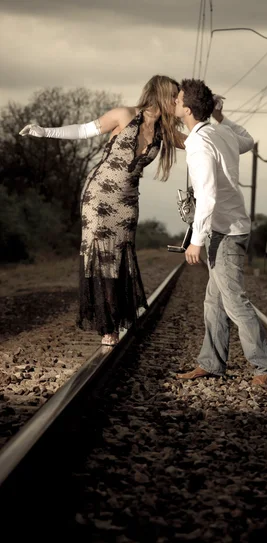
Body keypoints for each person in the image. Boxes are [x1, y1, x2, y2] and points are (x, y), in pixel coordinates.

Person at [19, 75, 185, 346]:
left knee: (119, 256)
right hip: (99, 195)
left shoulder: (165, 131)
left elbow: (201, 142)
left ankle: (115, 319)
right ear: (162, 95)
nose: (178, 102)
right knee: (100, 257)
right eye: (175, 97)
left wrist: (213, 115)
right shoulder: (124, 114)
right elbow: (84, 130)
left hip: (128, 201)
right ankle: (108, 327)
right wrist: (43, 131)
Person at [174, 78, 267, 386]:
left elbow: (207, 195)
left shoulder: (199, 142)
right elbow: (248, 140)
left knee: (234, 301)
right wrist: (220, 114)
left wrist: (195, 240)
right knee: (214, 302)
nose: (174, 104)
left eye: (178, 101)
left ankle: (265, 368)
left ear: (188, 109)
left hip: (226, 233)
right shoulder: (220, 132)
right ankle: (212, 363)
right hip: (232, 228)